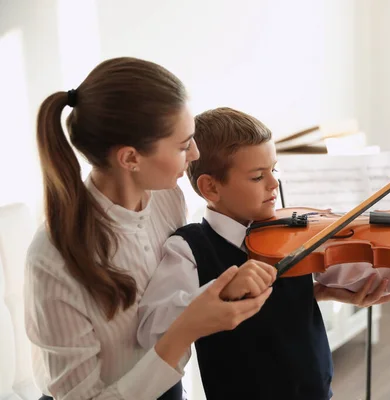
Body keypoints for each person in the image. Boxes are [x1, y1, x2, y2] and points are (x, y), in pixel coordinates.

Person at [137, 107, 390, 399]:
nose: (274, 184)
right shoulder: (188, 249)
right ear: (211, 187)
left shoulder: (294, 235)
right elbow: (155, 325)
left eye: (273, 170)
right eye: (258, 176)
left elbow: (369, 272)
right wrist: (220, 290)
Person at [24, 58, 274, 400]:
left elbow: (176, 290)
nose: (196, 153)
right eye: (184, 145)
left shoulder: (168, 197)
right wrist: (184, 331)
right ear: (130, 159)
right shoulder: (53, 260)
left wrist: (310, 291)